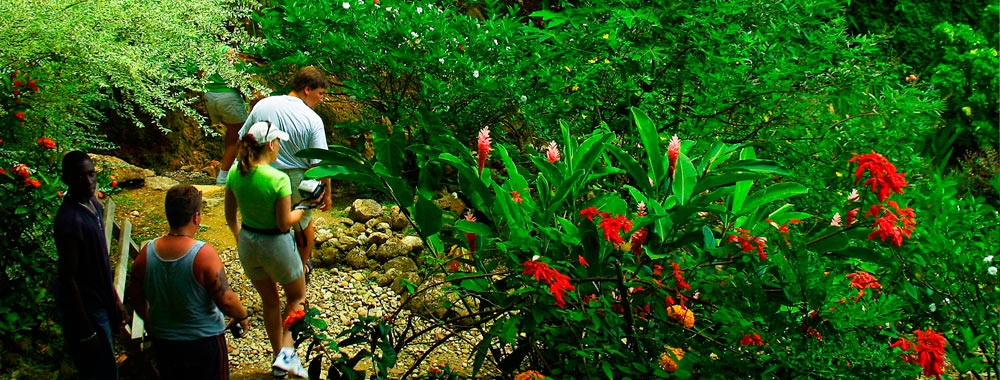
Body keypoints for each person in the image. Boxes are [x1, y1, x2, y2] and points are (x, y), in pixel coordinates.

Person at [127, 184, 249, 380]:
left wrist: (150, 321)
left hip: (165, 342)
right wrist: (242, 315)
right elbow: (225, 298)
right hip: (203, 341)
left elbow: (135, 295)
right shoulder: (203, 254)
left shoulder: (147, 253)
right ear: (196, 217)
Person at [225, 121, 316, 378]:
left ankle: (278, 359)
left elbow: (230, 216)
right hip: (276, 244)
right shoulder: (279, 178)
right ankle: (287, 354)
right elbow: (283, 222)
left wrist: (240, 238)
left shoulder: (235, 172)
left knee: (270, 302)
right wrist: (305, 206)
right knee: (297, 297)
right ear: (272, 145)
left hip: (249, 243)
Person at [238, 66, 332, 281]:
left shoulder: (264, 104)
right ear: (307, 89)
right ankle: (301, 270)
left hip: (259, 174)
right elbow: (320, 162)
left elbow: (243, 138)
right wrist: (327, 193)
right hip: (297, 180)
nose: (322, 99)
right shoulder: (312, 119)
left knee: (268, 223)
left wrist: (242, 168)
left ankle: (266, 266)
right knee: (302, 224)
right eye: (321, 94)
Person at [54, 150, 127, 379]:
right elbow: (68, 278)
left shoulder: (93, 205)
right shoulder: (70, 221)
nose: (88, 182)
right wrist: (86, 331)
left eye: (91, 174)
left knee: (106, 367)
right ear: (66, 180)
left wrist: (115, 300)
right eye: (80, 177)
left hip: (101, 300)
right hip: (87, 309)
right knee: (100, 371)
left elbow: (101, 262)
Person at [205, 72, 249, 185]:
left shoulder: (206, 55)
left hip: (209, 95)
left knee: (231, 132)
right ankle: (224, 176)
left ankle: (229, 165)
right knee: (239, 135)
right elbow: (239, 81)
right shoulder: (229, 57)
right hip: (228, 97)